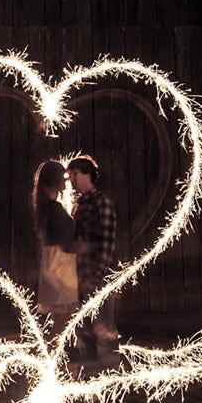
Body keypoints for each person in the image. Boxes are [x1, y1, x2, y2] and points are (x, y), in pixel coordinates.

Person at [68, 154, 119, 364]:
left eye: (74, 173)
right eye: (69, 174)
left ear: (88, 174)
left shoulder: (101, 202)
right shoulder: (78, 204)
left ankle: (109, 370)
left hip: (97, 275)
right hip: (79, 275)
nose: (70, 179)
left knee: (103, 325)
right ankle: (90, 371)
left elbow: (107, 241)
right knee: (84, 326)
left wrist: (97, 275)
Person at [32, 160, 78, 331]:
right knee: (61, 322)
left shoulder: (45, 207)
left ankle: (52, 353)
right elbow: (67, 240)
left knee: (60, 320)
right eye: (64, 179)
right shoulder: (54, 209)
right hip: (61, 266)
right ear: (55, 180)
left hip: (54, 264)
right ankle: (52, 354)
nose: (67, 183)